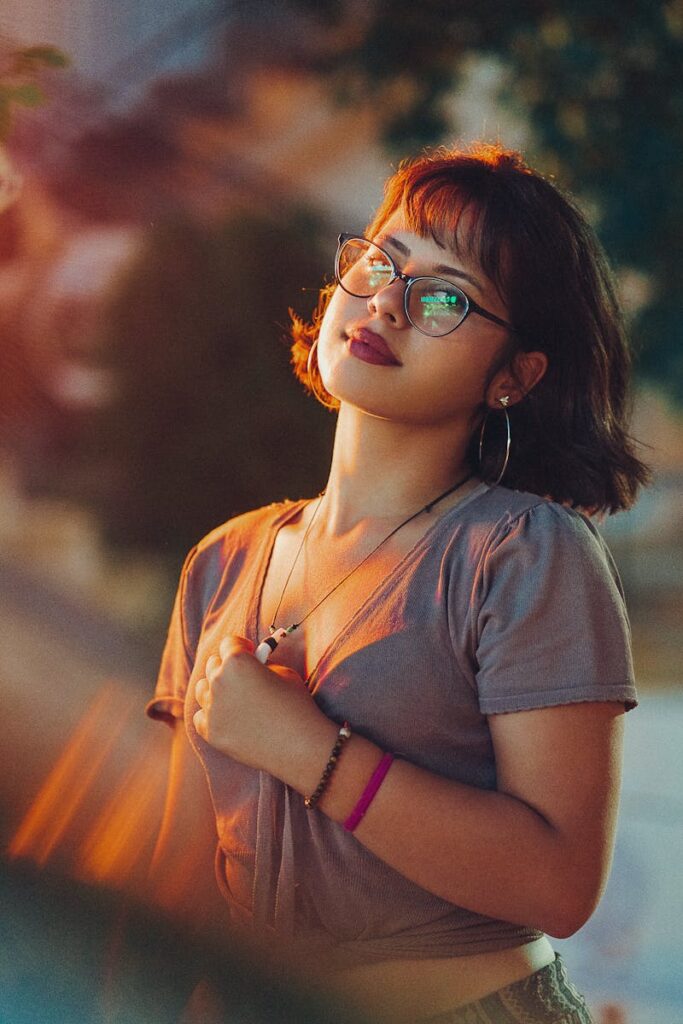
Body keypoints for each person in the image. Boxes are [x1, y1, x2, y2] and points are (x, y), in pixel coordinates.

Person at [147, 143, 648, 1024]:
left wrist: (305, 750)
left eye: (446, 296)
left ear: (513, 376)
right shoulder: (224, 559)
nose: (387, 301)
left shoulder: (525, 553)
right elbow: (174, 874)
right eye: (383, 261)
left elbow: (559, 884)